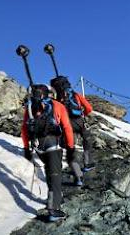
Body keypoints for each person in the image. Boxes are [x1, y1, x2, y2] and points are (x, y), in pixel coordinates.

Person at [21, 84, 76, 222]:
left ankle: (56, 197)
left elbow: (24, 129)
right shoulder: (57, 105)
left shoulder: (30, 107)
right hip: (53, 144)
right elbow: (67, 127)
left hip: (38, 146)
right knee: (55, 175)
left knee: (49, 170)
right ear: (48, 93)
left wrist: (26, 148)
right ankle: (53, 209)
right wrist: (70, 148)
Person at [50, 76, 95, 174]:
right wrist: (83, 114)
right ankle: (87, 163)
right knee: (87, 139)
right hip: (79, 121)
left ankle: (74, 166)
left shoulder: (57, 99)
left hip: (66, 124)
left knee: (68, 144)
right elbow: (89, 108)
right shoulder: (76, 95)